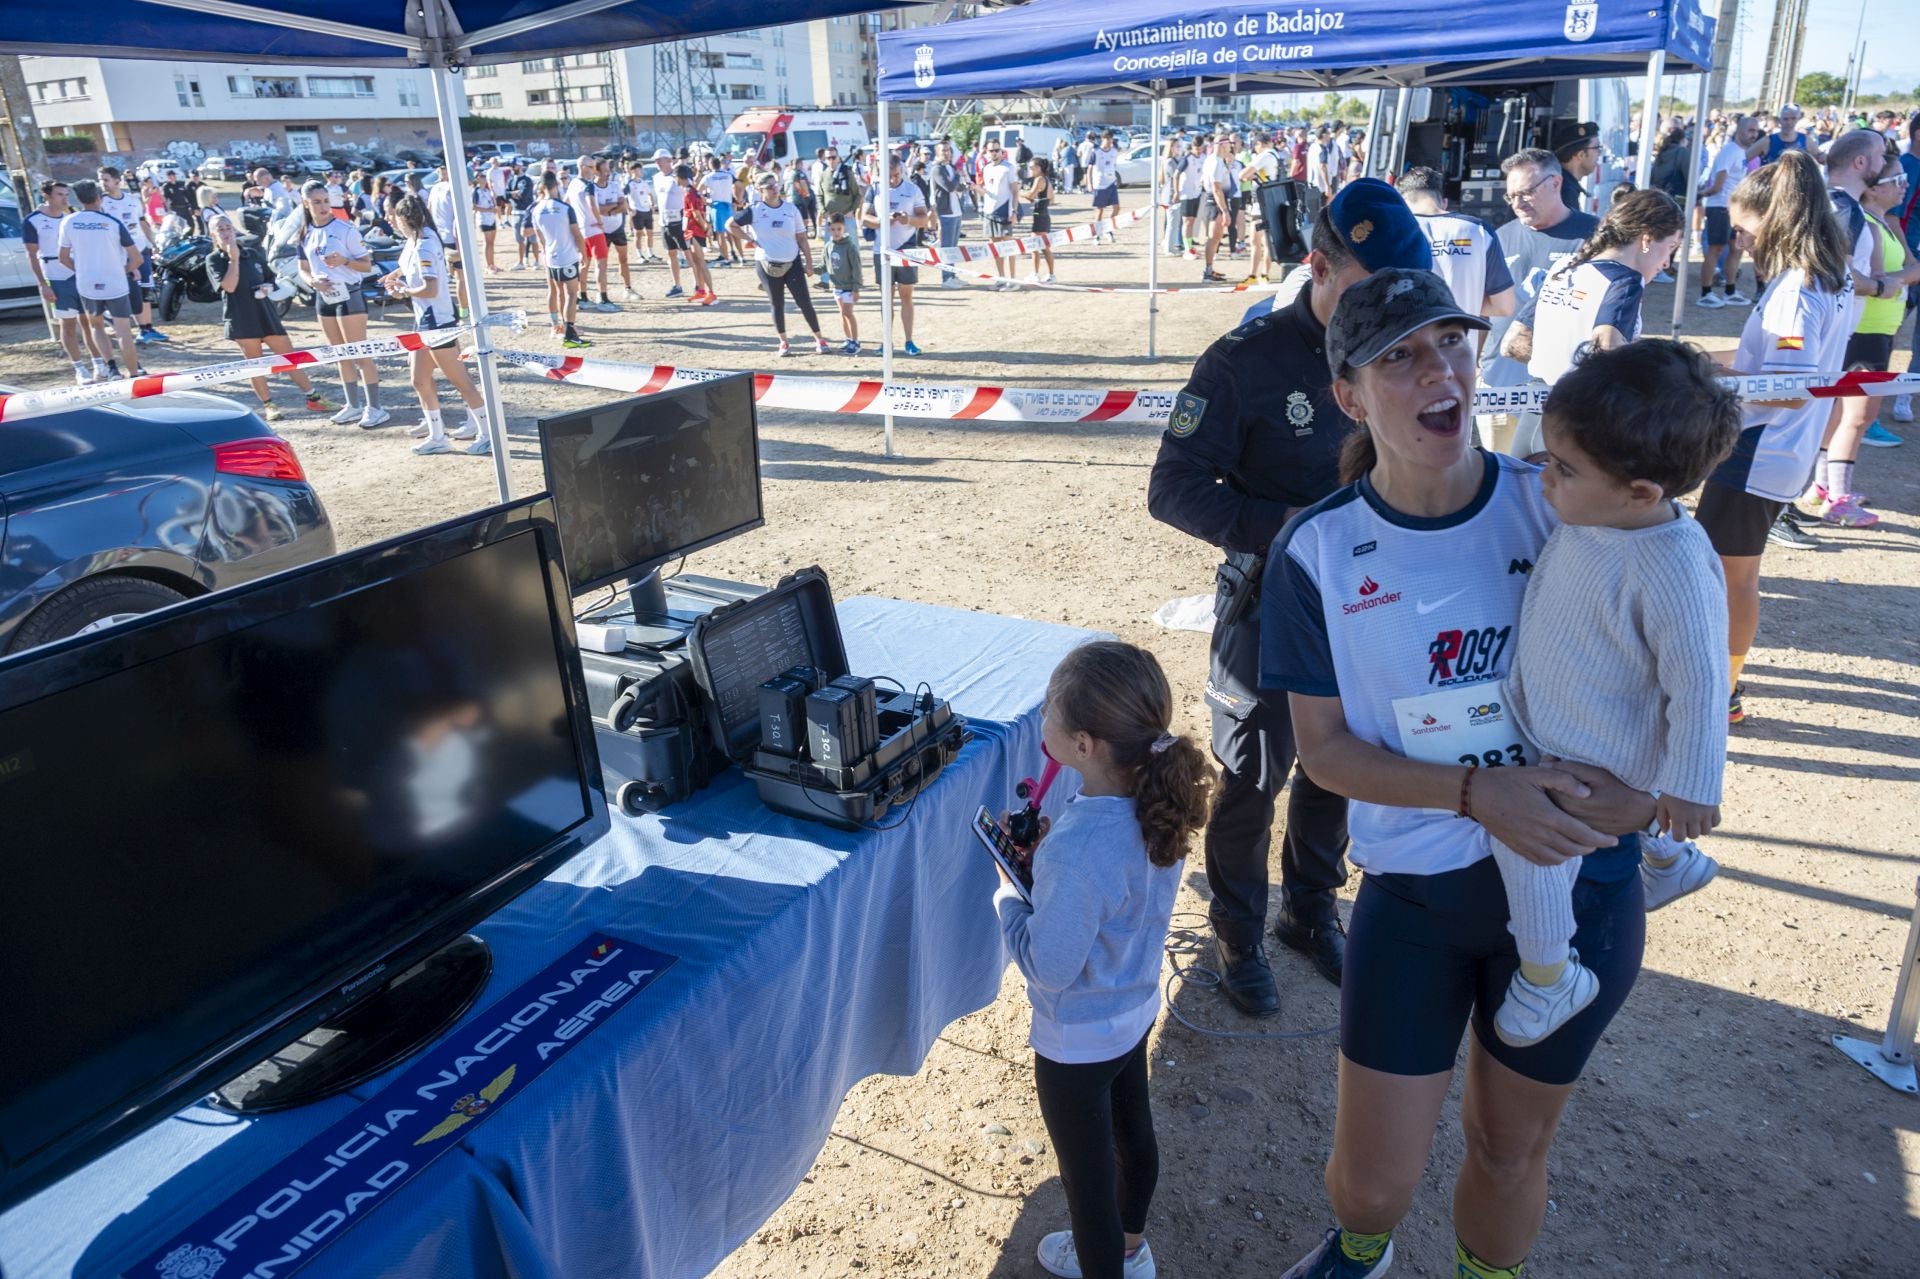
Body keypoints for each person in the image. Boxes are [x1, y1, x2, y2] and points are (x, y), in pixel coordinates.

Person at [1262, 267, 1659, 1279]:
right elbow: (1326, 753)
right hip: (1421, 897)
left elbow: (1664, 664)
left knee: (1510, 1145)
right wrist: (1483, 794)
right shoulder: (1316, 552)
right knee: (1372, 1183)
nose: (1439, 370)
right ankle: (1362, 1249)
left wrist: (1647, 793)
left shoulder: (1559, 506)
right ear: (1349, 395)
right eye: (1401, 355)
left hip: (1579, 893)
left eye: (1452, 343)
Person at [1147, 180, 1435, 1011]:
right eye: (1368, 282)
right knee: (1249, 778)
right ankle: (1238, 934)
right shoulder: (1244, 362)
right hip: (1271, 603)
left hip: (1372, 600)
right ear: (1317, 266)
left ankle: (1311, 908)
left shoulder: (1398, 346)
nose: (1386, 303)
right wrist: (1291, 526)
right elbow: (1172, 489)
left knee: (1341, 764)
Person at [1481, 340, 1738, 1051]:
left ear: (1642, 492)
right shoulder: (1602, 516)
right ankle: (1664, 860)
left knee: (1526, 840)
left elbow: (1701, 683)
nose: (1544, 477)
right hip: (1564, 721)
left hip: (1595, 756)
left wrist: (1689, 785)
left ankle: (1548, 971)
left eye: (1564, 468)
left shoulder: (1675, 565)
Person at [993, 640, 1211, 1279]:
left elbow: (1051, 965)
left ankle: (1109, 1260)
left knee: (1088, 1191)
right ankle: (1132, 1248)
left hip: (1076, 1041)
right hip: (1134, 1008)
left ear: (1083, 745)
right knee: (1133, 1136)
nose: (1042, 718)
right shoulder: (1156, 806)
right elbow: (1113, 902)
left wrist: (1010, 896)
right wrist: (1050, 884)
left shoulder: (1079, 845)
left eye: (1049, 711)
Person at [1696, 152, 1854, 726]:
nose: (1736, 240)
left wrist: (1711, 376)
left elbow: (1791, 386)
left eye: (1743, 228)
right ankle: (1723, 686)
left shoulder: (1796, 288)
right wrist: (1702, 361)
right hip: (1776, 449)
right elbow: (1773, 368)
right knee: (1732, 573)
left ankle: (1723, 691)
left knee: (1728, 577)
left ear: (1776, 219)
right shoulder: (1824, 279)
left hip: (1761, 450)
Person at [1805, 145, 1919, 527]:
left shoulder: (1889, 222)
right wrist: (1891, 281)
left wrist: (1894, 279)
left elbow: (1908, 270)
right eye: (1896, 180)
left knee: (1845, 412)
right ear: (1873, 187)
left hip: (1881, 329)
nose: (1904, 186)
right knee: (1858, 414)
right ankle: (1837, 497)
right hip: (1865, 329)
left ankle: (1824, 486)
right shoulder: (1863, 221)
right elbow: (1869, 278)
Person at [1478, 149, 1599, 455]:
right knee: (1502, 480)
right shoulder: (1499, 237)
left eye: (1527, 193)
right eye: (1511, 196)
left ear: (1556, 183)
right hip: (1500, 387)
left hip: (1563, 393)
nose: (1518, 203)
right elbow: (1482, 308)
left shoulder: (1596, 236)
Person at [1501, 189, 1683, 386]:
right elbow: (1607, 349)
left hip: (1538, 401)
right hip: (1580, 406)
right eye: (1671, 247)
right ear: (1647, 239)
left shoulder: (1564, 266)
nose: (1667, 263)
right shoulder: (1625, 280)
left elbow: (1514, 344)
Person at [382, 193, 491, 457]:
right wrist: (394, 277)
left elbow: (430, 289)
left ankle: (488, 433)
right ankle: (437, 436)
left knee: (461, 381)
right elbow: (405, 267)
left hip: (437, 322)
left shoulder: (425, 245)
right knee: (419, 380)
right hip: (424, 321)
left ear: (404, 218)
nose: (390, 221)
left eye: (394, 216)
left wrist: (404, 291)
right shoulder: (416, 240)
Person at [205, 214, 333, 422]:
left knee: (289, 357)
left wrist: (268, 287)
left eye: (228, 227)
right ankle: (269, 405)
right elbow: (229, 286)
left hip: (264, 312)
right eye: (220, 229)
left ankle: (314, 398)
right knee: (254, 363)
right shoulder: (213, 260)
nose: (226, 232)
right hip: (240, 317)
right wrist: (233, 259)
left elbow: (269, 277)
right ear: (213, 234)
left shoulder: (252, 254)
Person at [296, 180, 389, 428]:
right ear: (306, 204)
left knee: (359, 353)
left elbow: (366, 265)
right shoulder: (305, 232)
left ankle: (375, 407)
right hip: (324, 297)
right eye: (317, 202)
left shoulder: (346, 229)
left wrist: (344, 261)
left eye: (326, 200)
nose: (324, 206)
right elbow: (303, 268)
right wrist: (312, 281)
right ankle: (353, 405)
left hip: (349, 295)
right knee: (339, 354)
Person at [1397, 166, 1516, 324]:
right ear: (1444, 202)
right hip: (1459, 344)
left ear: (1400, 203)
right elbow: (1504, 306)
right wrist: (1463, 302)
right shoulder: (1478, 230)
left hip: (1408, 343)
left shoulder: (1394, 232)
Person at [57, 179, 144, 383]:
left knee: (96, 327)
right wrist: (123, 271)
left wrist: (82, 271)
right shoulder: (112, 223)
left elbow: (63, 257)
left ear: (78, 199)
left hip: (87, 283)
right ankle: (133, 374)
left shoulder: (69, 221)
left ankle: (112, 369)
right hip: (115, 283)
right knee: (123, 330)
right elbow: (137, 258)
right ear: (98, 198)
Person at [735, 171, 827, 358]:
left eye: (776, 185)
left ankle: (819, 339)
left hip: (792, 262)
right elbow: (731, 224)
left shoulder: (791, 209)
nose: (775, 189)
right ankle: (783, 342)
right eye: (770, 187)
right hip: (767, 264)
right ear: (761, 190)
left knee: (804, 302)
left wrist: (809, 262)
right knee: (777, 303)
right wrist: (750, 240)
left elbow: (801, 238)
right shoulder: (755, 210)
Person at [862, 152, 929, 355]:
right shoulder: (874, 189)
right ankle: (886, 342)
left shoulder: (912, 189)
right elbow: (864, 218)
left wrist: (907, 219)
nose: (893, 179)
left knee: (906, 295)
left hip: (906, 248)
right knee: (886, 298)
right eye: (889, 176)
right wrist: (883, 222)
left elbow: (924, 219)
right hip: (882, 250)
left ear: (902, 171)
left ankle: (909, 341)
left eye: (897, 175)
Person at [95, 165, 168, 347]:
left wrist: (153, 243)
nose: (102, 184)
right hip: (119, 254)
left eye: (105, 180)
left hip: (140, 250)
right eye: (100, 180)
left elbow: (142, 222)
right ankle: (113, 318)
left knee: (145, 290)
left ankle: (147, 329)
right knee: (126, 291)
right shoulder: (101, 203)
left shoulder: (133, 200)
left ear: (117, 181)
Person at [1697, 114, 1760, 309]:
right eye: (1750, 130)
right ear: (1739, 130)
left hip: (1733, 208)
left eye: (1756, 131)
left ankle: (1730, 290)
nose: (1754, 134)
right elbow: (1718, 184)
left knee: (1736, 248)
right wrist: (1699, 194)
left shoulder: (1741, 153)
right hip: (1720, 206)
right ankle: (1706, 292)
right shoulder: (1729, 151)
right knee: (1716, 249)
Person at [529, 170, 589, 350]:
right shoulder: (564, 208)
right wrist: (584, 254)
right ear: (555, 185)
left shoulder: (536, 209)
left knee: (555, 291)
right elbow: (577, 235)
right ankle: (570, 332)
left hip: (550, 256)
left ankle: (557, 325)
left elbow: (540, 239)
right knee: (571, 294)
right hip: (567, 256)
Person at [566, 156, 614, 312]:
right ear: (583, 167)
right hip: (593, 229)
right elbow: (592, 204)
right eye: (592, 167)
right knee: (601, 263)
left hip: (580, 230)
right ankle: (603, 297)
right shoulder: (588, 185)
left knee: (584, 264)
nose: (595, 170)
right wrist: (599, 220)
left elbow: (566, 203)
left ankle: (583, 296)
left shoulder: (573, 184)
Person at [977, 140, 1019, 288]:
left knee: (1009, 246)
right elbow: (988, 191)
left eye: (996, 150)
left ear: (1001, 151)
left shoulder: (1009, 168)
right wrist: (976, 188)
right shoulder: (986, 168)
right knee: (995, 247)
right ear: (986, 152)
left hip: (1004, 210)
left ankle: (1013, 280)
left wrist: (1013, 211)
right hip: (990, 212)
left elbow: (1015, 190)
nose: (994, 153)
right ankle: (1001, 278)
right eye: (991, 150)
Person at [677, 163, 717, 306]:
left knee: (700, 262)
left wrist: (705, 227)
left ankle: (711, 293)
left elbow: (696, 213)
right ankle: (700, 290)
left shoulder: (689, 192)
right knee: (696, 262)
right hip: (691, 230)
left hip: (695, 230)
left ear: (679, 177)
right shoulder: (691, 191)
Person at [594, 164, 636, 304]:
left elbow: (623, 205)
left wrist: (610, 210)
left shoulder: (614, 186)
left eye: (608, 170)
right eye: (604, 170)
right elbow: (598, 209)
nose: (608, 173)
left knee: (623, 259)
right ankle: (602, 293)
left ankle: (628, 288)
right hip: (601, 230)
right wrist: (612, 205)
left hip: (617, 227)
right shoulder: (592, 188)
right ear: (596, 171)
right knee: (601, 263)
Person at [930, 140, 967, 289]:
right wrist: (958, 178)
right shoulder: (937, 169)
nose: (946, 153)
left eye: (948, 150)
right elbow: (949, 187)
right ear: (937, 153)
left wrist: (959, 182)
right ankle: (946, 278)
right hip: (946, 212)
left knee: (953, 247)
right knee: (947, 247)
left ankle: (953, 274)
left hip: (956, 211)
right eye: (943, 150)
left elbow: (962, 187)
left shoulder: (951, 167)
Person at [825, 212, 863, 355]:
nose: (836, 232)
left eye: (839, 229)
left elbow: (857, 268)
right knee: (842, 314)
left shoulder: (850, 247)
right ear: (829, 229)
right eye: (833, 229)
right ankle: (847, 339)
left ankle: (856, 341)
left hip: (849, 287)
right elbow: (825, 265)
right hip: (836, 286)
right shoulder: (828, 246)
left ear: (844, 228)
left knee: (848, 313)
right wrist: (809, 269)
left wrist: (856, 288)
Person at [1200, 135, 1237, 283]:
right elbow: (1216, 188)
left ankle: (1209, 269)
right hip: (1216, 202)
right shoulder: (1215, 162)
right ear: (1222, 145)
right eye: (1229, 144)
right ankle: (1207, 271)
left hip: (1215, 200)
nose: (1231, 147)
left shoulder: (1213, 160)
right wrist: (1224, 210)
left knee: (1215, 238)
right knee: (1214, 237)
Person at [653, 150, 689, 298]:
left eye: (659, 160)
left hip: (679, 219)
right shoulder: (656, 178)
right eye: (656, 160)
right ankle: (677, 285)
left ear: (668, 160)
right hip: (664, 221)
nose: (657, 163)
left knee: (688, 253)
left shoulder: (677, 176)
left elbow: (688, 192)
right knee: (670, 253)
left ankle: (699, 285)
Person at [1748, 102, 1827, 166]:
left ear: (1798, 119)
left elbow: (1822, 159)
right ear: (1780, 120)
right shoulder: (1768, 141)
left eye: (1793, 118)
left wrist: (1823, 157)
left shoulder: (1805, 141)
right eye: (1786, 119)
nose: (1789, 122)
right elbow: (1744, 158)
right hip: (1772, 183)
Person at [1550, 121, 1602, 213]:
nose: (1599, 154)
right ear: (1581, 155)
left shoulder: (1561, 183)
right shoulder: (1565, 192)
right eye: (1597, 148)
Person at [1024, 157, 1057, 284]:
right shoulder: (1046, 180)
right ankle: (1037, 273)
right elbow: (1052, 200)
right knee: (1037, 246)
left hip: (1040, 216)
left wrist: (1016, 192)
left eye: (1032, 168)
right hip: (1043, 214)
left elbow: (1030, 195)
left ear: (1039, 168)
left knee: (1042, 247)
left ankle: (1049, 274)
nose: (1030, 170)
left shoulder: (1039, 179)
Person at [1089, 131, 1121, 242]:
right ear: (1102, 139)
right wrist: (1090, 183)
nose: (1109, 141)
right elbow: (1089, 168)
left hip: (1111, 183)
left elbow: (1113, 164)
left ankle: (1108, 228)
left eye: (1110, 138)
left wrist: (1114, 176)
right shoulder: (1096, 152)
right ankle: (1096, 234)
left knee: (1116, 208)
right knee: (1100, 210)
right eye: (1106, 138)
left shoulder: (1114, 151)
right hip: (1100, 184)